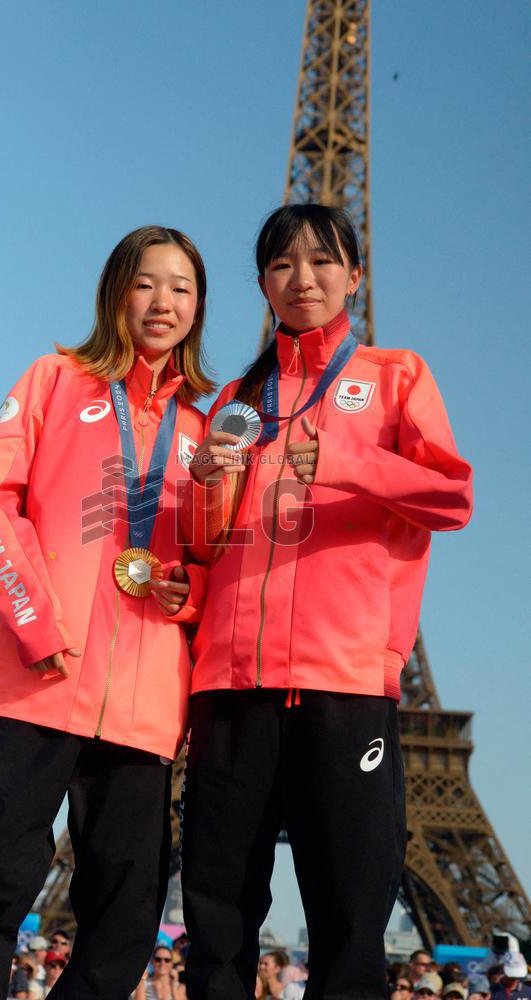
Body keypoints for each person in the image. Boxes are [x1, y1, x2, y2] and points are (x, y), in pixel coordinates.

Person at [180, 203, 473, 1000]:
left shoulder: (393, 376)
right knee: (217, 912)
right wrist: (200, 493)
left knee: (349, 915)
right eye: (280, 265)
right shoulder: (234, 398)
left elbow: (452, 495)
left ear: (354, 273)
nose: (301, 279)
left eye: (320, 261)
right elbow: (201, 541)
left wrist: (343, 459)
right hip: (230, 685)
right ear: (262, 284)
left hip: (342, 678)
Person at [0, 225, 214, 1000]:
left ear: (199, 307)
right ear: (116, 290)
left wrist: (191, 590)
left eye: (181, 288)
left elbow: (218, 560)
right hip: (39, 678)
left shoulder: (208, 432)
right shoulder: (54, 379)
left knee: (126, 915)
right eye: (147, 282)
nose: (163, 301)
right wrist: (33, 620)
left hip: (144, 707)